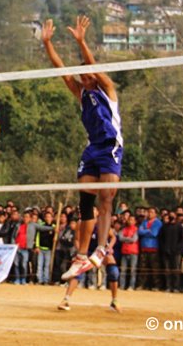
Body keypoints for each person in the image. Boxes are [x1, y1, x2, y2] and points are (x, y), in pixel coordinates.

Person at [40, 16, 122, 280]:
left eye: (88, 71)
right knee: (85, 200)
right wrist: (47, 44)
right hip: (92, 148)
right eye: (82, 72)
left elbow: (94, 66)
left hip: (111, 147)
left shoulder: (106, 89)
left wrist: (81, 41)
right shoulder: (81, 93)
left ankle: (101, 248)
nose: (85, 75)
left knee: (106, 198)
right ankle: (81, 255)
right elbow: (60, 68)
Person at [58, 227, 121, 312]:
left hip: (100, 252)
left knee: (114, 272)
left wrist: (109, 247)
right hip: (86, 251)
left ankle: (114, 301)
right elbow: (76, 240)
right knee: (77, 272)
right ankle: (66, 300)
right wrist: (81, 252)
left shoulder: (101, 222)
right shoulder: (82, 223)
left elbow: (113, 237)